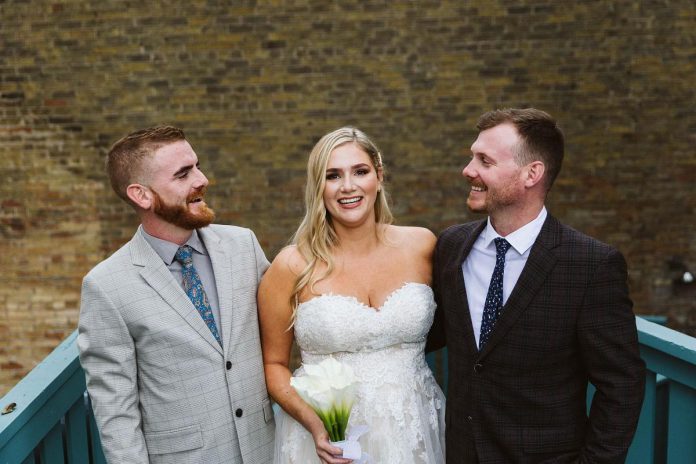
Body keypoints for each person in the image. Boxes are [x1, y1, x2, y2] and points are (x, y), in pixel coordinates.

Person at [428, 108, 646, 463]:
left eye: (484, 160)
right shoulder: (452, 246)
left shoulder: (591, 265)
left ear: (532, 173)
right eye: (472, 157)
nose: (468, 170)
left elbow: (622, 384)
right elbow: (427, 333)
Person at [78, 126, 275, 463]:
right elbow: (116, 414)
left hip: (268, 450)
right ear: (142, 195)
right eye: (184, 174)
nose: (203, 179)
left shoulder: (244, 246)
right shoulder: (106, 286)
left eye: (197, 166)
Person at [258, 127, 445, 464]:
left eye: (360, 171)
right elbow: (273, 365)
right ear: (319, 187)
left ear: (379, 176)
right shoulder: (291, 265)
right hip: (328, 439)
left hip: (416, 429)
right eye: (333, 176)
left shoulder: (423, 245)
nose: (348, 186)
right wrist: (315, 424)